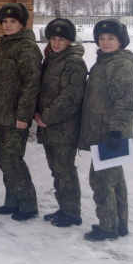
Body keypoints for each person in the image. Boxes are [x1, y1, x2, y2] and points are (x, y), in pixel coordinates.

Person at [78, 19, 133, 242]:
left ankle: (107, 227)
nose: (105, 42)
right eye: (101, 38)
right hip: (104, 132)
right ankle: (119, 224)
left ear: (120, 41)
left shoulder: (121, 65)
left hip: (111, 134)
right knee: (115, 181)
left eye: (111, 38)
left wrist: (116, 131)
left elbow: (126, 101)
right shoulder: (104, 62)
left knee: (101, 181)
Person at [0, 3, 42, 221]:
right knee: (3, 159)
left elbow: (31, 84)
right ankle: (12, 201)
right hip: (0, 115)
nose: (8, 25)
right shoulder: (3, 46)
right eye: (5, 22)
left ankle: (28, 204)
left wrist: (23, 115)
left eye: (13, 22)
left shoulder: (26, 48)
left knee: (13, 160)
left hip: (14, 117)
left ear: (21, 24)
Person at [34, 18, 87, 228]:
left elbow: (71, 97)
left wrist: (46, 116)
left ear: (69, 42)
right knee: (56, 169)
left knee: (65, 169)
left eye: (61, 39)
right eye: (53, 39)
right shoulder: (51, 59)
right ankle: (63, 208)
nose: (56, 43)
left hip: (64, 127)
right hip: (48, 125)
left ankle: (72, 212)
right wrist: (37, 113)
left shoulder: (74, 62)